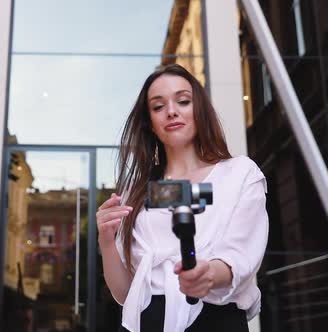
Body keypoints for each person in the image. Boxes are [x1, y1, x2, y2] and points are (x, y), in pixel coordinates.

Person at [96, 64, 268, 332]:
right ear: (150, 123)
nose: (172, 111)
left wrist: (208, 274)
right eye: (158, 106)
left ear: (199, 109)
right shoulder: (137, 191)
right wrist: (106, 240)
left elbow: (242, 258)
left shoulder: (239, 174)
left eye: (183, 101)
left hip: (214, 320)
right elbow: (124, 293)